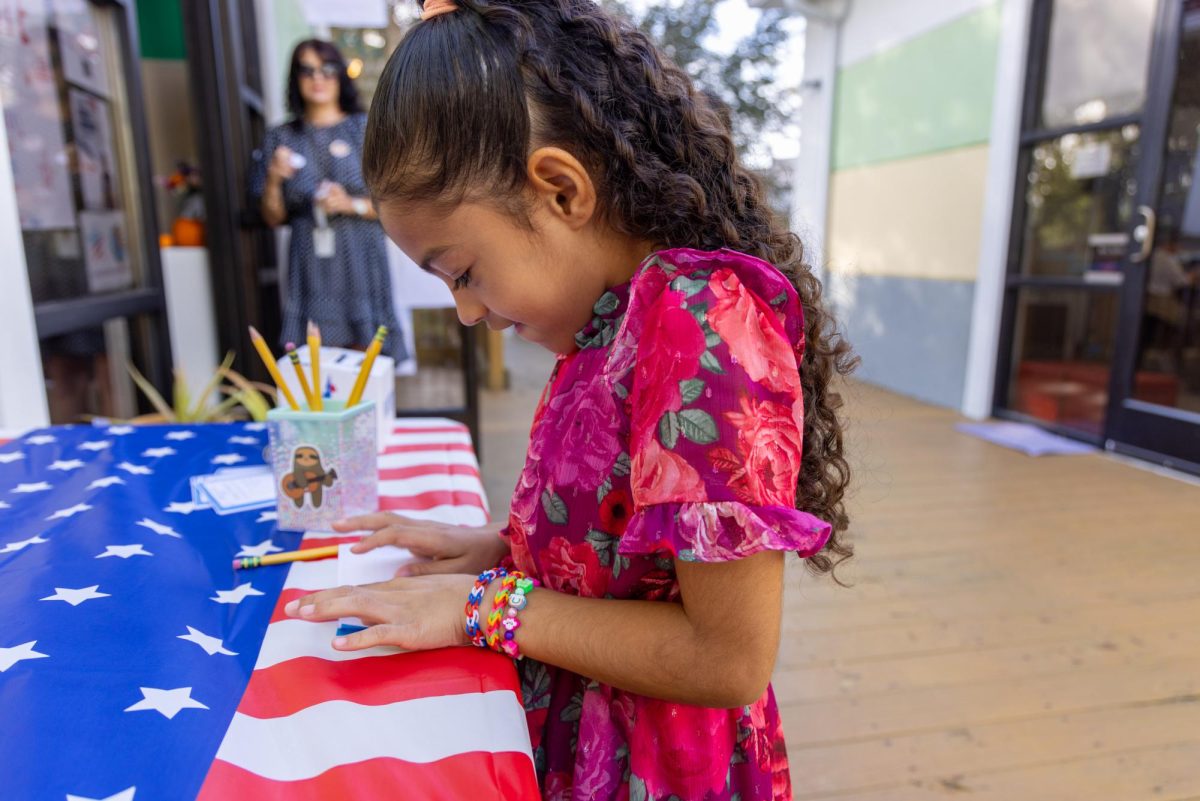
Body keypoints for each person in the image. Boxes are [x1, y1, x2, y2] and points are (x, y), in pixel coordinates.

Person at [285, 2, 856, 798]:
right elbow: (618, 541)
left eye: (462, 271)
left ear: (560, 190)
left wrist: (485, 606)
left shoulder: (701, 323)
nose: (468, 312)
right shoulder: (605, 322)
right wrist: (494, 548)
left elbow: (727, 657)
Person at [249, 40, 407, 365]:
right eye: (307, 70)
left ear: (340, 76)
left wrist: (352, 204)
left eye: (327, 69)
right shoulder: (281, 137)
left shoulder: (365, 129)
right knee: (316, 364)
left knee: (367, 362)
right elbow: (272, 217)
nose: (317, 78)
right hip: (312, 266)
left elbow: (399, 203)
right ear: (295, 78)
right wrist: (274, 179)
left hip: (361, 258)